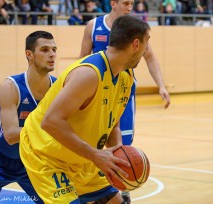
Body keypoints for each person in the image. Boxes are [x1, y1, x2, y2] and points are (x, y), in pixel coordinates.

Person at [19, 15, 150, 204]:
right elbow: (50, 121)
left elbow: (112, 125)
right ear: (136, 44)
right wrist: (94, 155)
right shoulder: (88, 74)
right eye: (147, 43)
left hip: (80, 156)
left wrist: (118, 156)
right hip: (45, 153)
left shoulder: (126, 76)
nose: (146, 51)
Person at [79, 1, 171, 202]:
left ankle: (122, 187)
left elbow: (151, 57)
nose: (130, 7)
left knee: (123, 144)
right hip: (95, 92)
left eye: (132, 3)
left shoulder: (135, 29)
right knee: (91, 137)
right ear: (113, 3)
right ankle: (86, 182)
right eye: (126, 3)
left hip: (122, 91)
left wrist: (161, 85)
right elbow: (82, 60)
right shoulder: (93, 26)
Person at [0, 31, 57, 203]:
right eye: (45, 49)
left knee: (63, 199)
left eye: (54, 49)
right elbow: (10, 135)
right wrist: (52, 127)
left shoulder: (58, 88)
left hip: (35, 162)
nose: (52, 54)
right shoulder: (10, 87)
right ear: (29, 54)